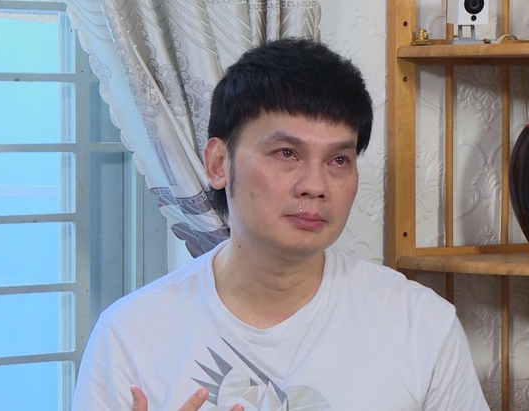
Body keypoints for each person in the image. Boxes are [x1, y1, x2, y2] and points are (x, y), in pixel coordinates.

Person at [72, 37, 489, 410]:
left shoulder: (421, 325)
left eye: (338, 160)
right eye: (286, 153)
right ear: (218, 163)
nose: (315, 186)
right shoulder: (130, 335)